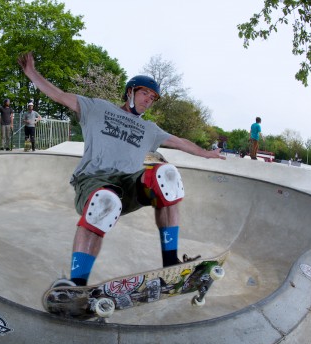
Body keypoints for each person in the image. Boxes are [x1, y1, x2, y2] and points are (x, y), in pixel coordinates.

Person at [18, 52, 224, 287]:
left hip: (131, 185)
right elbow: (60, 95)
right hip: (94, 181)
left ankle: (170, 263)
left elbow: (179, 142)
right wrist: (32, 73)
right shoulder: (98, 108)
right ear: (130, 91)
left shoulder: (150, 128)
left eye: (153, 98)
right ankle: (76, 285)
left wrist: (207, 153)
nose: (148, 100)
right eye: (145, 93)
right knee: (104, 200)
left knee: (167, 174)